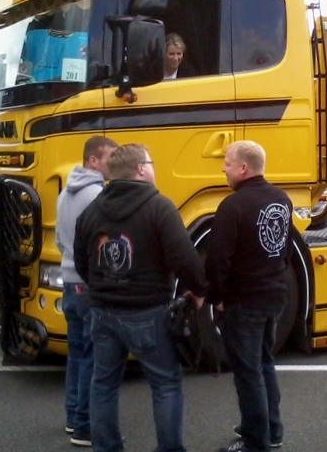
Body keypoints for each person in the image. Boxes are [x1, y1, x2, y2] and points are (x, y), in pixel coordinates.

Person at [73, 144, 207, 452]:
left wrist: (102, 287)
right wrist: (199, 291)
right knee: (165, 383)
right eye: (151, 162)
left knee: (103, 383)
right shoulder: (159, 207)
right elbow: (185, 259)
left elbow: (82, 262)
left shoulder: (91, 210)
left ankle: (106, 447)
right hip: (148, 310)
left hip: (103, 311)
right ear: (141, 169)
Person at [205, 141, 292, 452]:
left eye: (228, 163)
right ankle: (272, 429)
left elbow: (218, 259)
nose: (223, 168)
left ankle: (255, 441)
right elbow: (284, 249)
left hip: (243, 300)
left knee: (247, 372)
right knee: (264, 362)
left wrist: (215, 296)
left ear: (243, 168)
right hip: (274, 294)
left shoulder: (233, 206)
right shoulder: (281, 198)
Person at [55, 135, 119, 448]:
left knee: (77, 353)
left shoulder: (64, 193)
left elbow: (59, 239)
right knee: (95, 358)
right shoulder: (98, 195)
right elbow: (103, 243)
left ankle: (73, 417)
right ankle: (85, 425)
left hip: (69, 281)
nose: (113, 165)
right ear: (93, 160)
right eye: (110, 158)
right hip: (89, 284)